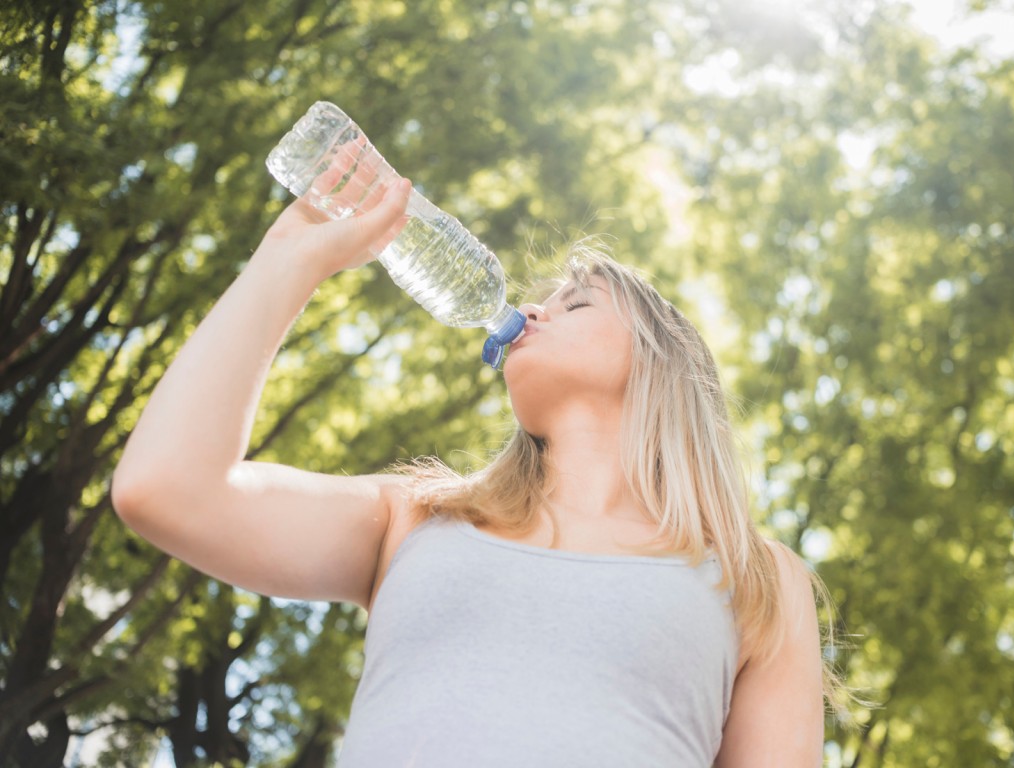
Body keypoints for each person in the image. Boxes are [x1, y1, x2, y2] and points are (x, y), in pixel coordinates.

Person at [113, 173, 834, 767]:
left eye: (574, 299)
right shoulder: (414, 519)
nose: (528, 309)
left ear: (660, 361)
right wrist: (288, 257)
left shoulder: (756, 579)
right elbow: (167, 489)